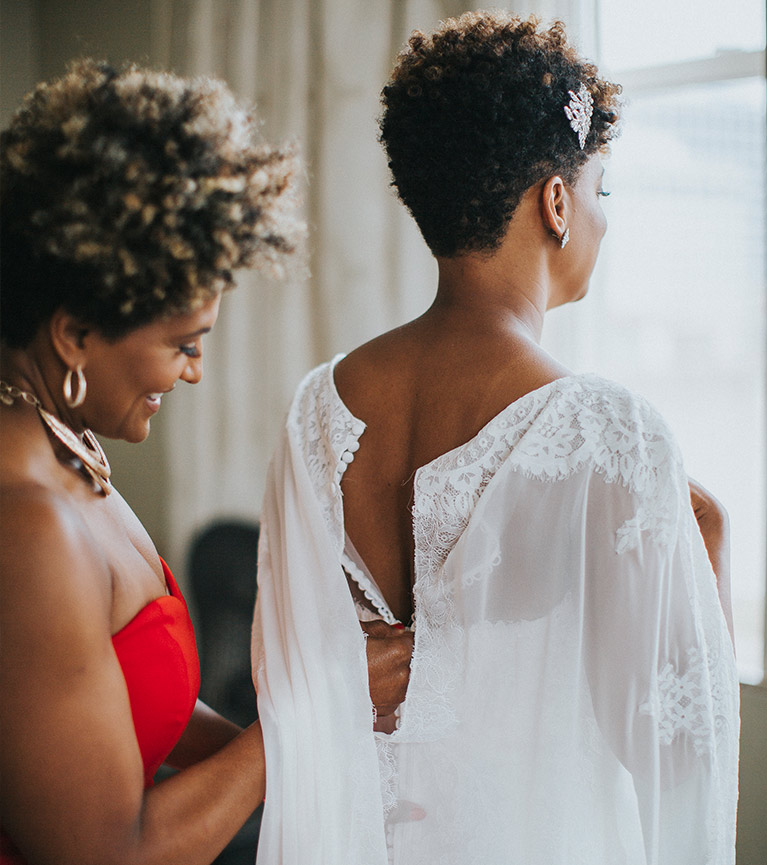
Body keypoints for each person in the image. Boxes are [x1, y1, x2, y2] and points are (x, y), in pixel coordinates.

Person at [251, 11, 739, 865]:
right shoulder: (605, 428)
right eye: (600, 193)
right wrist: (712, 544)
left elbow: (295, 687)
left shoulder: (315, 412)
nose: (602, 219)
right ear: (555, 202)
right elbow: (679, 752)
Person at [0, 59, 413, 865]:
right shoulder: (28, 525)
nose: (193, 371)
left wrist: (311, 722)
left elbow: (121, 699)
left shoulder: (68, 446)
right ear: (75, 331)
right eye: (183, 344)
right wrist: (318, 712)